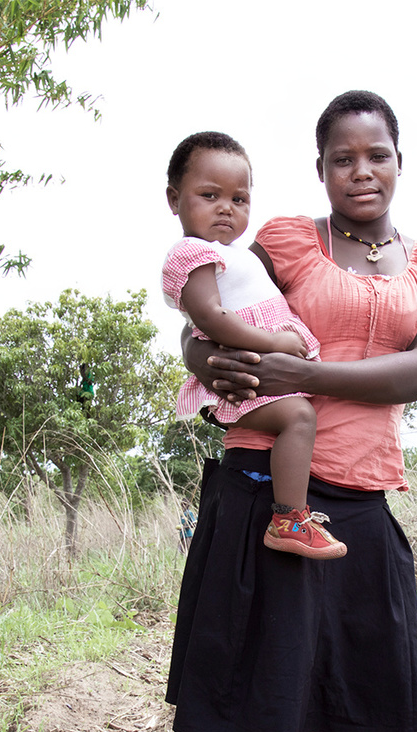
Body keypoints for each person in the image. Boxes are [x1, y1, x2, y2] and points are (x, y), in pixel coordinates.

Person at [167, 91, 417, 732]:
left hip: (364, 486)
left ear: (399, 161)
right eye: (342, 157)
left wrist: (306, 377)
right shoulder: (289, 239)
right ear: (322, 168)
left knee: (378, 669)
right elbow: (203, 287)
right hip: (274, 483)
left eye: (376, 154)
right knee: (284, 679)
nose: (360, 170)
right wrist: (204, 356)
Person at [164, 131, 346, 560]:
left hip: (263, 364)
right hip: (249, 371)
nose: (226, 208)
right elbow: (209, 317)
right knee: (298, 418)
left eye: (239, 199)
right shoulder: (190, 252)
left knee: (301, 417)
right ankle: (288, 519)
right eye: (209, 195)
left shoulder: (233, 253)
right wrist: (276, 342)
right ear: (175, 199)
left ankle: (291, 517)